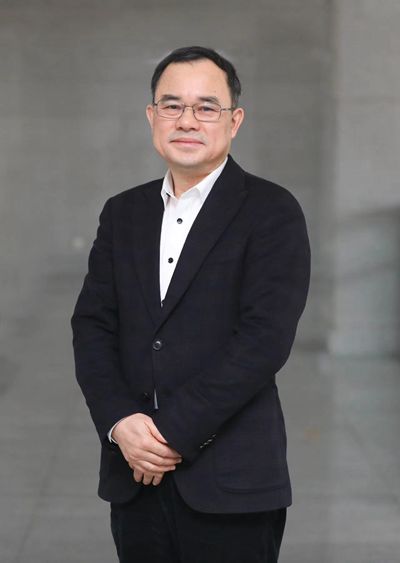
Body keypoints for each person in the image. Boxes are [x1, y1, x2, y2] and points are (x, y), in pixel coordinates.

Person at [71, 45, 311, 563]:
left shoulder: (271, 211)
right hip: (133, 475)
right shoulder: (122, 213)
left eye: (206, 107)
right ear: (152, 116)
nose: (187, 120)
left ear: (234, 121)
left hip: (231, 481)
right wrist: (119, 422)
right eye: (172, 105)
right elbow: (92, 327)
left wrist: (167, 434)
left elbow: (264, 341)